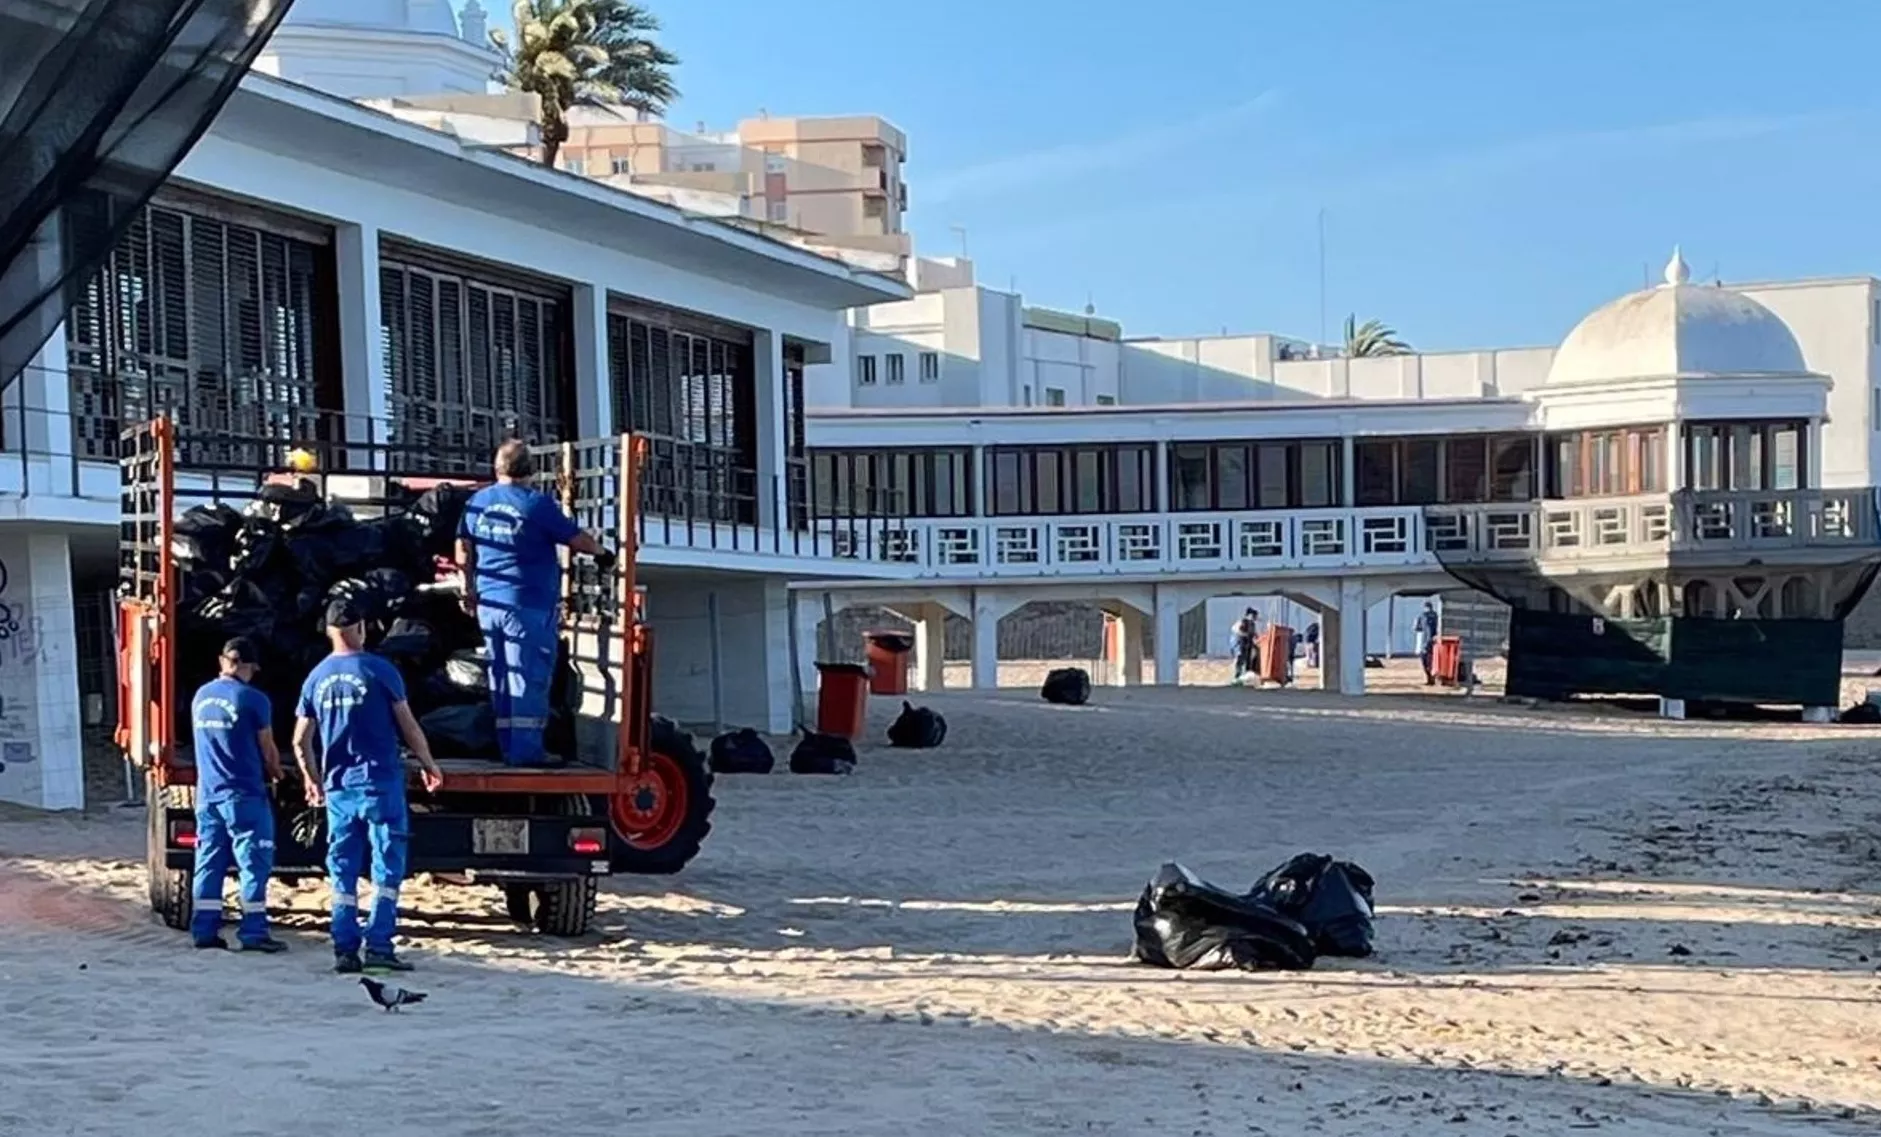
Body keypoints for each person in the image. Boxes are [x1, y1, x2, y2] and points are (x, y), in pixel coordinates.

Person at [294, 598, 445, 974]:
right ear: (361, 628)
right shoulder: (381, 670)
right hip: (379, 785)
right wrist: (429, 763)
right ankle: (379, 946)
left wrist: (312, 779)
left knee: (342, 870)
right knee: (386, 869)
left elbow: (299, 740)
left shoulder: (316, 678)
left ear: (328, 632)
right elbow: (407, 724)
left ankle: (345, 949)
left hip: (339, 789)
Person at [456, 440, 614, 768]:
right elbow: (576, 539)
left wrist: (466, 587)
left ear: (497, 468)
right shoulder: (535, 505)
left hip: (489, 605)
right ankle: (527, 752)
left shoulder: (477, 502)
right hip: (527, 605)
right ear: (530, 471)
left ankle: (508, 747)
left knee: (502, 673)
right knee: (528, 675)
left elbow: (463, 548)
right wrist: (603, 554)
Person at [187, 637, 287, 953]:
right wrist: (279, 773)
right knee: (253, 865)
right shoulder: (254, 700)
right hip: (244, 795)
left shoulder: (201, 697)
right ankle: (253, 932)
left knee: (208, 862)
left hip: (208, 795)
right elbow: (267, 749)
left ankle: (204, 930)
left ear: (222, 661)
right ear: (247, 666)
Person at [1230, 607, 1261, 683]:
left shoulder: (1252, 624)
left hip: (1247, 643)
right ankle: (1237, 676)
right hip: (1239, 642)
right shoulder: (1242, 622)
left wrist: (1257, 639)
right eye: (1254, 616)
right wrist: (1246, 635)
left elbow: (1255, 635)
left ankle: (1246, 675)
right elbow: (1237, 631)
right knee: (1240, 657)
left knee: (1249, 658)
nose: (1255, 618)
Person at [1413, 600, 1441, 686]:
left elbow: (1417, 628)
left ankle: (1430, 679)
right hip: (1434, 643)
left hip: (1426, 643)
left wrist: (1426, 644)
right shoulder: (1436, 616)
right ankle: (1432, 678)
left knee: (1426, 661)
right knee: (1432, 661)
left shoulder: (1424, 616)